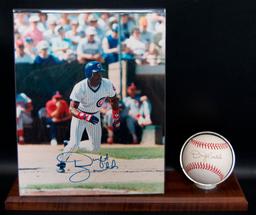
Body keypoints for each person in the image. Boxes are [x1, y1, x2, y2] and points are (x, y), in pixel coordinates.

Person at [56, 61, 120, 173]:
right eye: (97, 73)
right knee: (74, 144)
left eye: (100, 72)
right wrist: (86, 117)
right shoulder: (80, 86)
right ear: (89, 74)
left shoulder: (107, 84)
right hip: (80, 115)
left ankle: (70, 145)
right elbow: (72, 109)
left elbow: (114, 100)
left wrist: (116, 116)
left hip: (95, 114)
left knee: (95, 148)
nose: (100, 75)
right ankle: (61, 162)